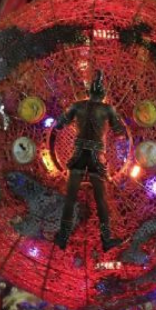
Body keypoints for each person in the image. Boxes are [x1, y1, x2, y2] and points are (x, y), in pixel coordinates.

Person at [53, 70, 126, 252]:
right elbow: (119, 131)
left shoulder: (77, 106)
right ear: (103, 93)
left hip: (78, 154)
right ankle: (106, 239)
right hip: (96, 156)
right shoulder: (108, 109)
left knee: (70, 198)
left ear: (89, 92)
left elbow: (60, 124)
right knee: (101, 198)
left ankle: (63, 236)